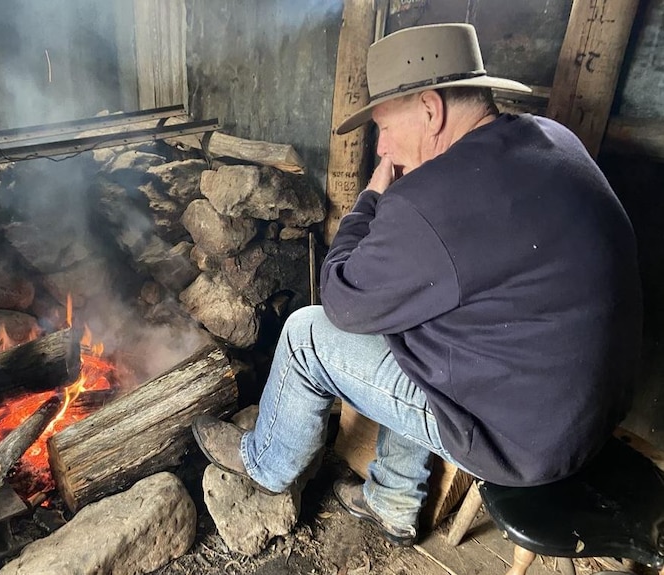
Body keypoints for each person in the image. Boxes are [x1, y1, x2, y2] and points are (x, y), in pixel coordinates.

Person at [191, 23, 642, 547]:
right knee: (414, 321)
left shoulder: (430, 201)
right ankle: (394, 501)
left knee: (304, 335)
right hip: (587, 409)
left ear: (432, 110)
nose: (382, 146)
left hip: (519, 442)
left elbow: (339, 301)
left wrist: (371, 200)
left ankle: (264, 465)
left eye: (384, 126)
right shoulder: (552, 137)